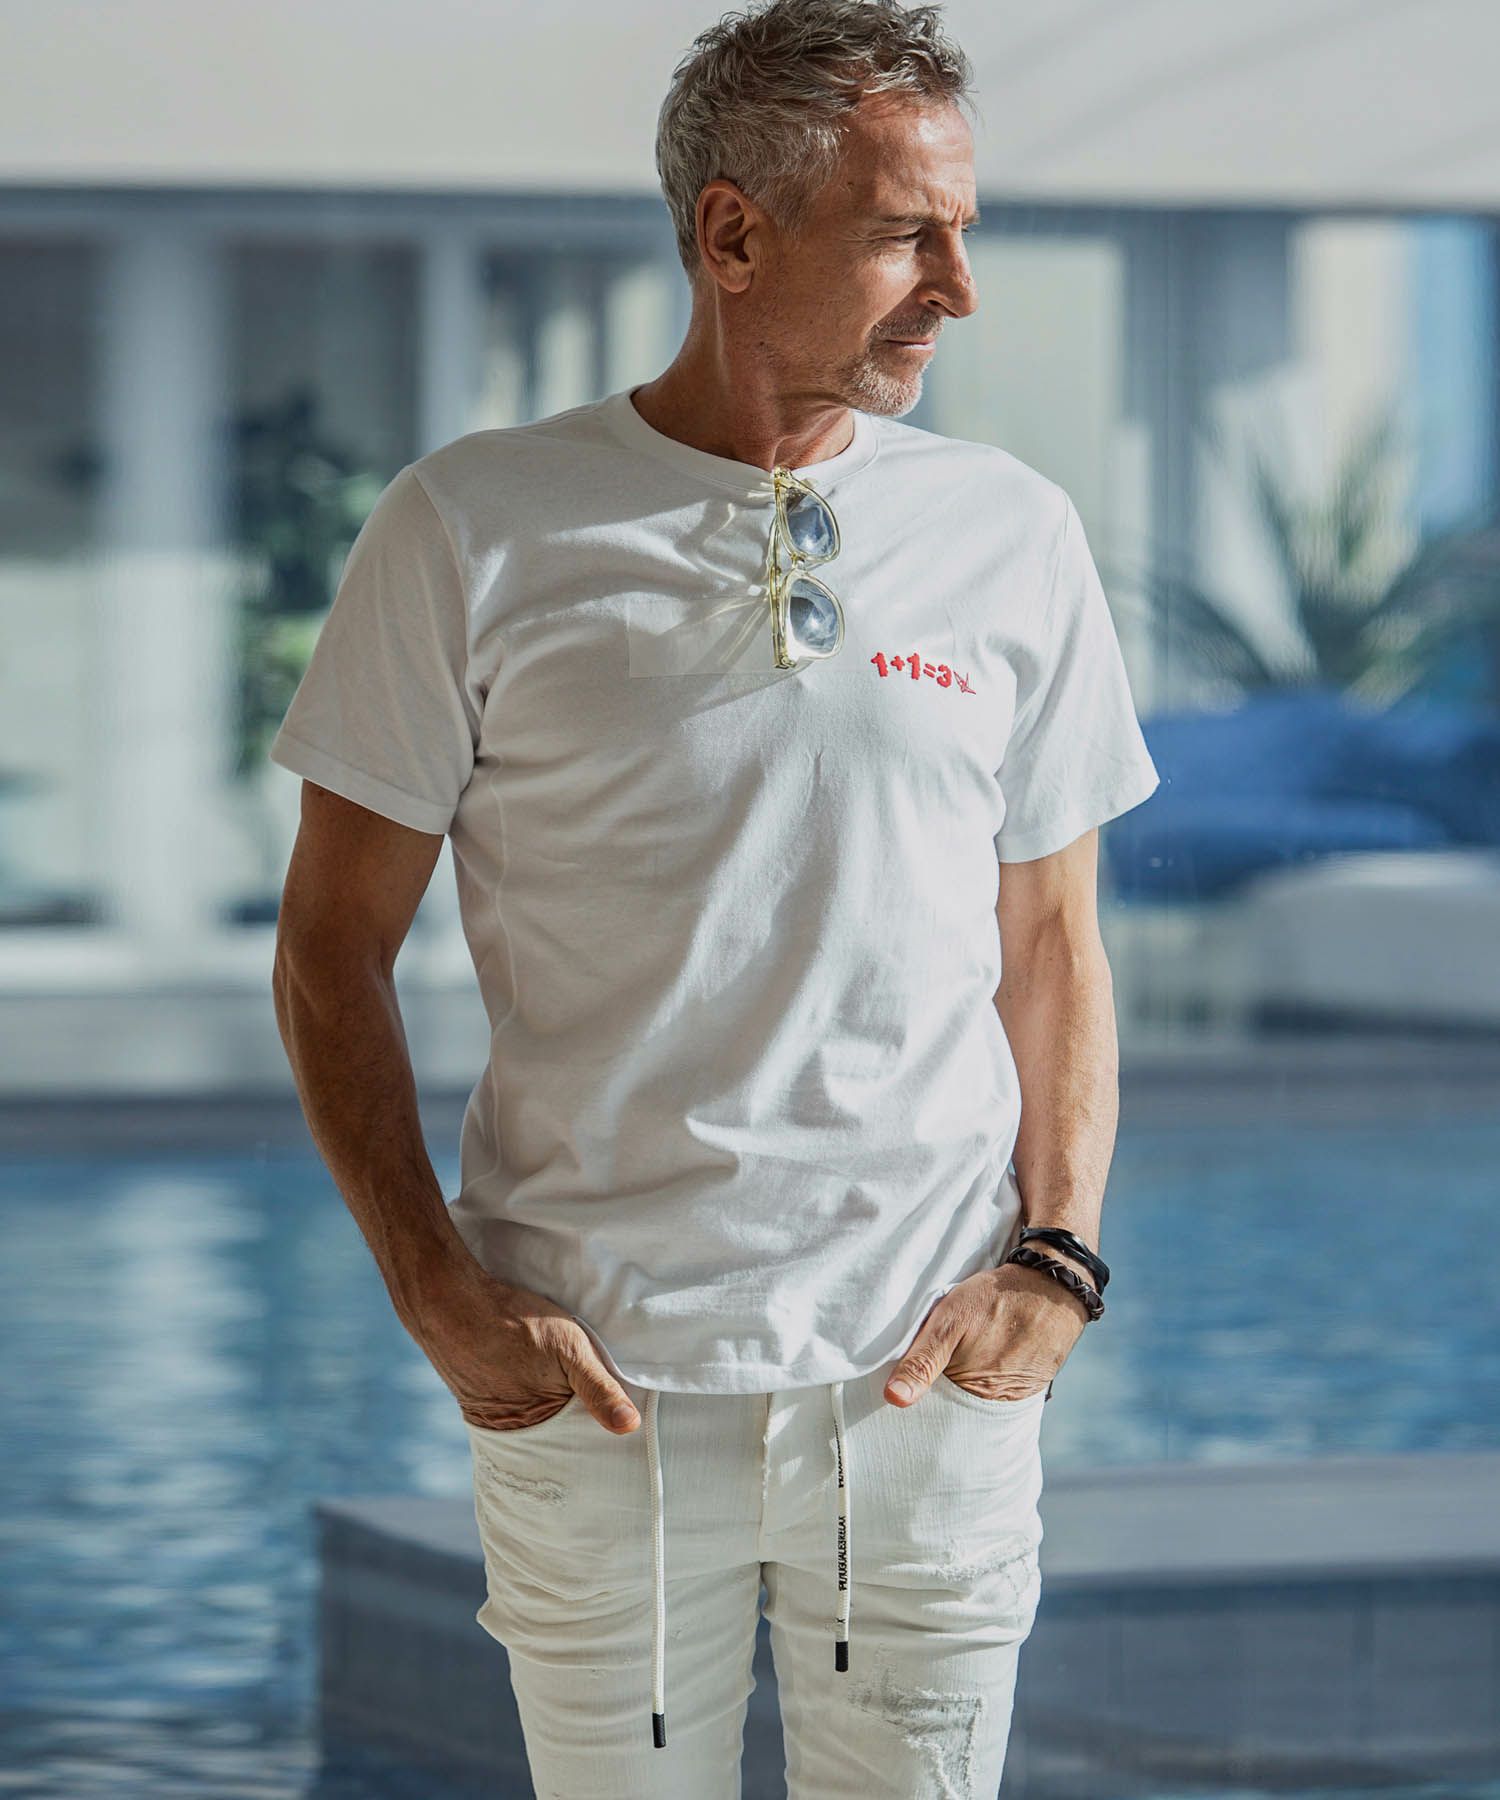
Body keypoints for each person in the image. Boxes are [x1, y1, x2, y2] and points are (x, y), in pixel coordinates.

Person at [269, 0, 1160, 1791]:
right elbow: (328, 951)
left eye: (963, 231)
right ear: (732, 235)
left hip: (928, 1376)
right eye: (907, 235)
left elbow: (1053, 944)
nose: (958, 288)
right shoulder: (473, 527)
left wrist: (1057, 1264)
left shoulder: (1014, 533)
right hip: (593, 1383)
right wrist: (434, 1289)